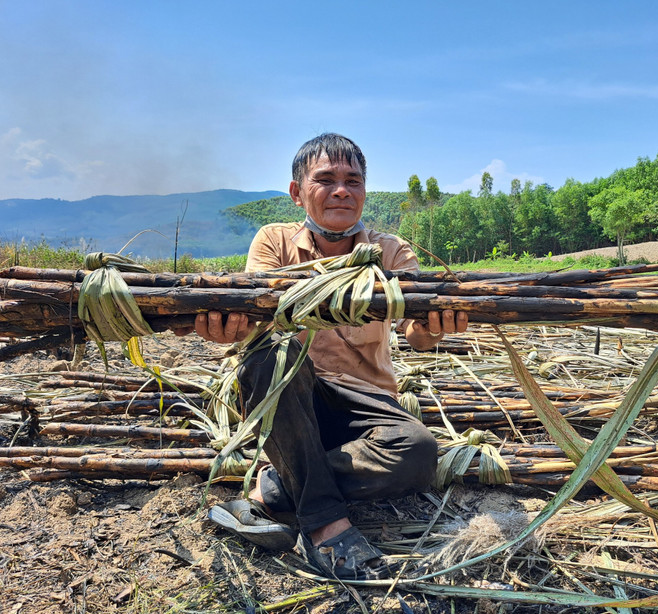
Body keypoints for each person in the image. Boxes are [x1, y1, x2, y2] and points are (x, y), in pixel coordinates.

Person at [186, 133, 468, 580]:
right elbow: (256, 324)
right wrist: (227, 331)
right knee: (272, 355)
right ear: (297, 192)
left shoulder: (390, 251)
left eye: (353, 181)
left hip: (366, 404)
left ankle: (278, 488)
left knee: (417, 451)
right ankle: (325, 525)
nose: (342, 190)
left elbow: (415, 334)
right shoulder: (274, 243)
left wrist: (435, 327)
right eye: (326, 179)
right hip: (291, 402)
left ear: (363, 192)